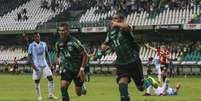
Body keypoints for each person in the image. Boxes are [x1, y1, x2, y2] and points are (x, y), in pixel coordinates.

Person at [101, 13, 158, 101]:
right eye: (113, 19)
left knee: (141, 87)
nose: (113, 20)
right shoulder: (110, 33)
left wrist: (117, 24)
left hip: (133, 61)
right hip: (121, 63)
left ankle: (149, 80)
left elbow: (126, 26)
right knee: (122, 85)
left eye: (116, 18)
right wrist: (104, 46)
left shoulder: (124, 29)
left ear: (121, 20)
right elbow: (105, 43)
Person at [55, 23, 88, 101]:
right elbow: (58, 55)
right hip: (67, 68)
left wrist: (82, 69)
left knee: (78, 93)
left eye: (63, 30)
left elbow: (85, 55)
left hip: (78, 69)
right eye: (60, 30)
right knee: (63, 87)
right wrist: (57, 67)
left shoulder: (74, 42)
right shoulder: (58, 43)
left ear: (68, 31)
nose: (61, 32)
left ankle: (82, 85)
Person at [28, 32, 58, 100]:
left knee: (50, 78)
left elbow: (47, 54)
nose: (37, 38)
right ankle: (39, 96)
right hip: (36, 66)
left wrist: (50, 64)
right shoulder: (31, 45)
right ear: (34, 38)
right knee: (37, 81)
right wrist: (33, 66)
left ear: (39, 36)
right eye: (36, 37)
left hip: (45, 65)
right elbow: (29, 57)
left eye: (38, 36)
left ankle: (50, 95)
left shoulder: (44, 44)